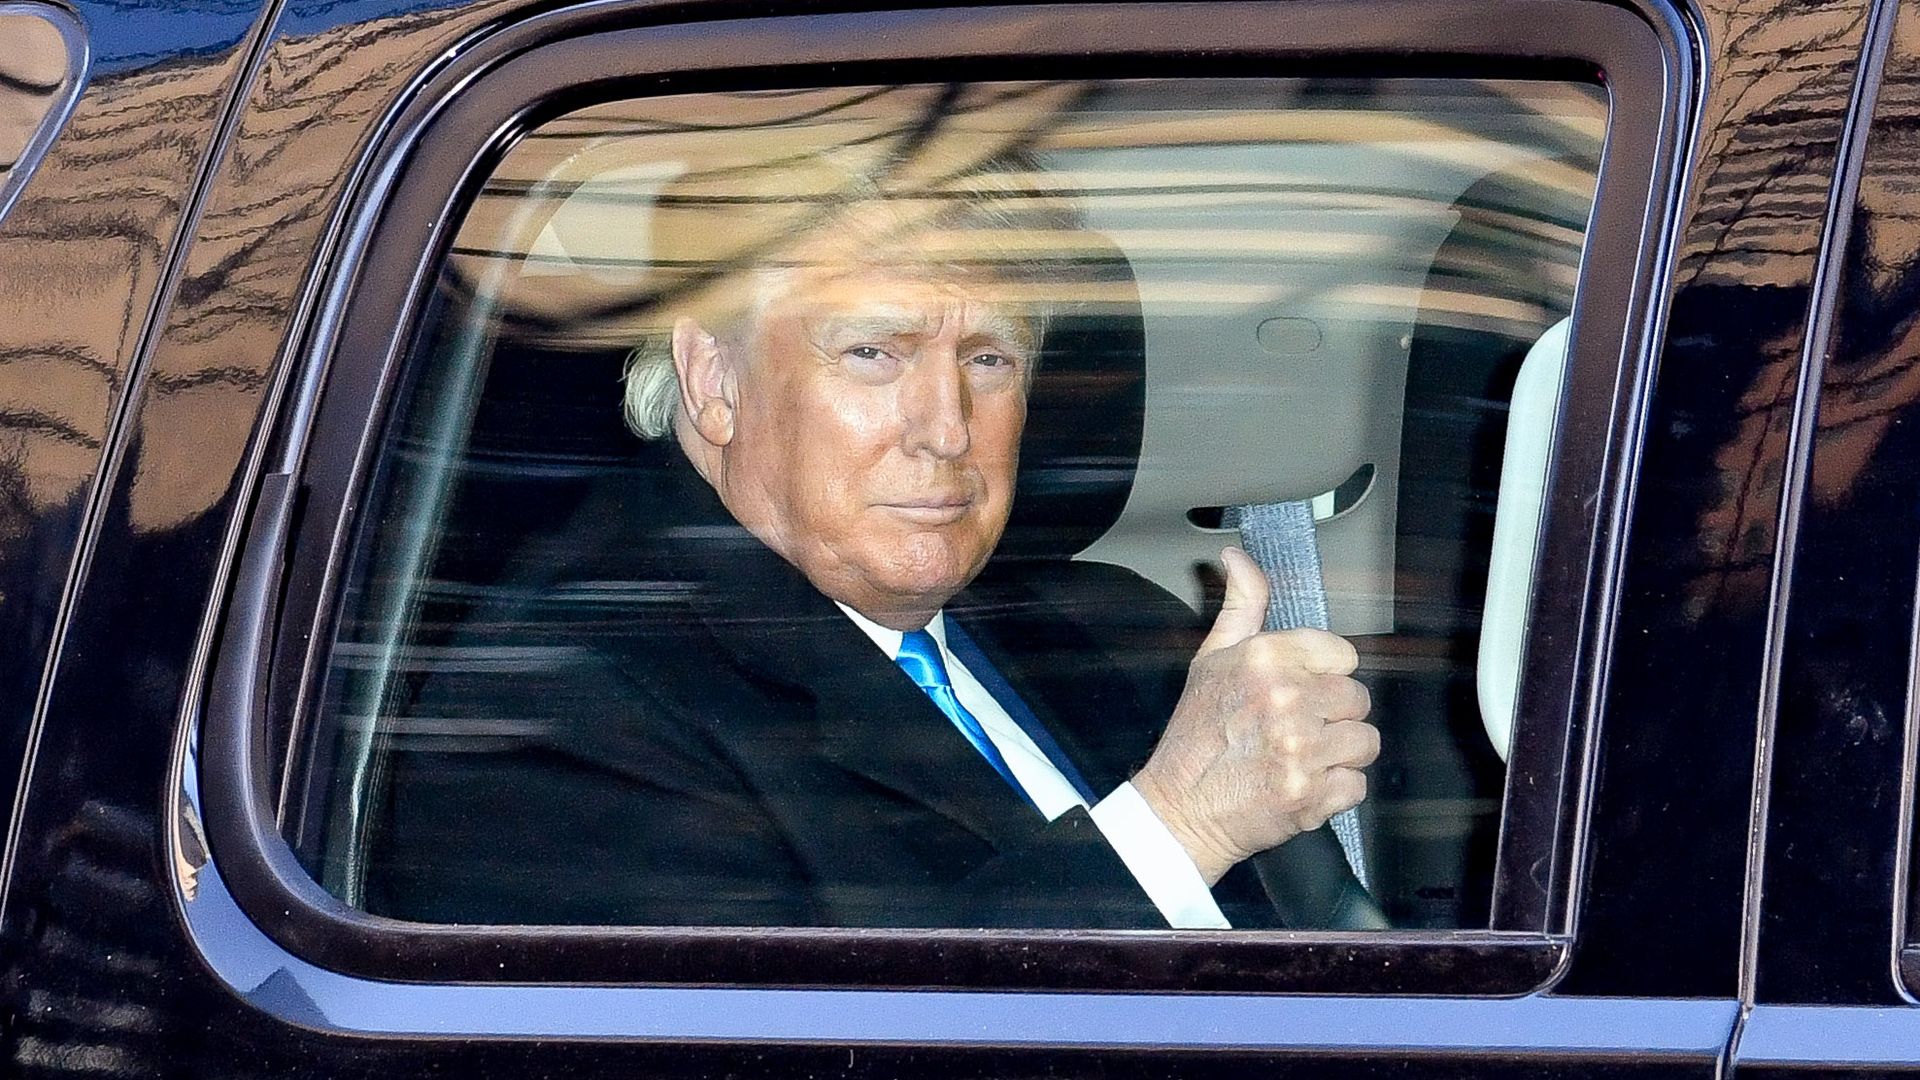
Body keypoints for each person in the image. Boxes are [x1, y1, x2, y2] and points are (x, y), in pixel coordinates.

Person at [362, 147, 1379, 929]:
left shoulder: (1109, 631)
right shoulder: (553, 717)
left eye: (988, 357)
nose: (947, 428)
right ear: (716, 380)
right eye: (874, 353)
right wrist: (1178, 826)